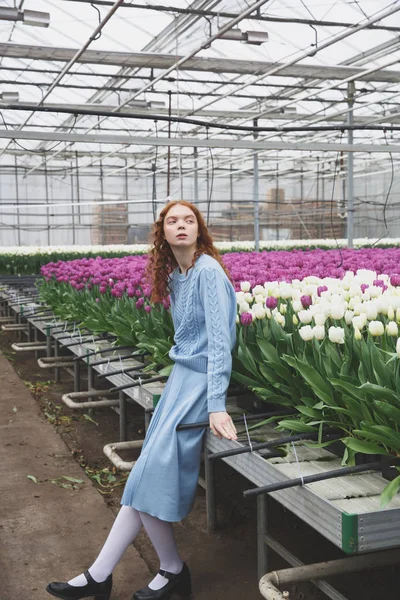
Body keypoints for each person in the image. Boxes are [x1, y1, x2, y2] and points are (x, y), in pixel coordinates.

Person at [46, 200, 238, 600]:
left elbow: (222, 343)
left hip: (200, 386)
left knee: (146, 477)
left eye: (189, 220)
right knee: (142, 479)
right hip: (179, 383)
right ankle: (118, 574)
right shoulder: (177, 277)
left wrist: (216, 403)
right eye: (173, 221)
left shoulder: (208, 272)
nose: (181, 226)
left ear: (199, 230)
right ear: (163, 233)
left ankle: (158, 571)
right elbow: (185, 338)